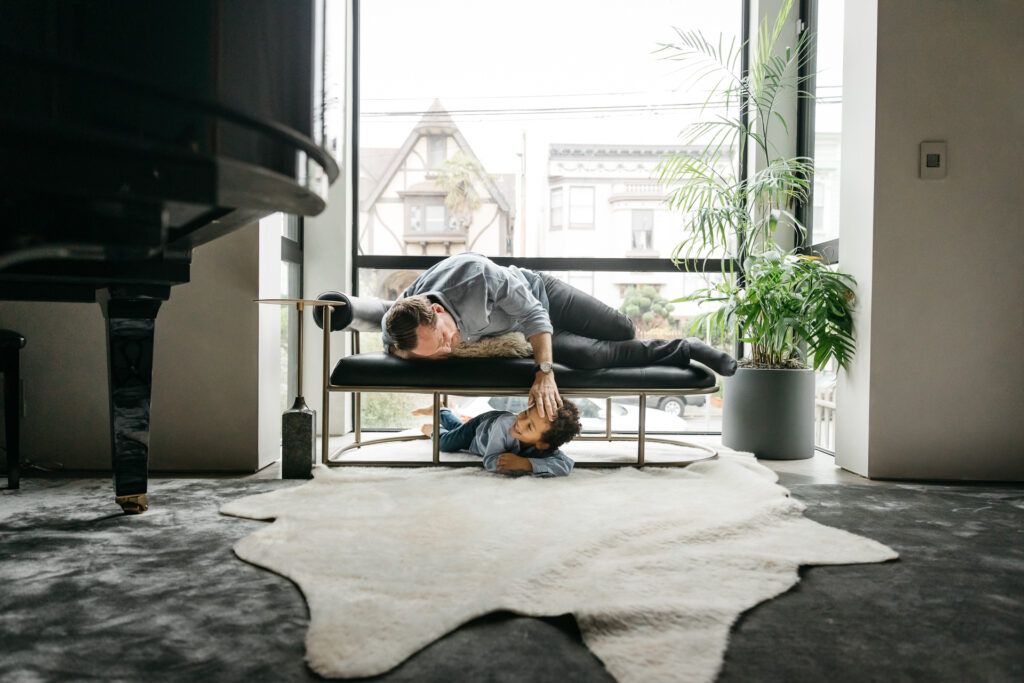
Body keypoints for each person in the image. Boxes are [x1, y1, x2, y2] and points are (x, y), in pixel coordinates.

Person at [383, 252, 738, 421]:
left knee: (623, 330)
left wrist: (545, 372)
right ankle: (685, 348)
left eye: (445, 338)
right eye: (439, 350)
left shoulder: (475, 275)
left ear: (440, 311)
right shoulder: (404, 317)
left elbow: (535, 314)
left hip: (542, 296)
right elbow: (393, 342)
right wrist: (416, 354)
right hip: (521, 329)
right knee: (592, 357)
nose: (449, 348)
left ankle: (678, 344)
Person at [420, 402, 580, 477]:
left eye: (530, 427)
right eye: (525, 413)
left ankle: (442, 410)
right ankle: (434, 427)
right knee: (446, 443)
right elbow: (491, 462)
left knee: (457, 429)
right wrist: (520, 464)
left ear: (542, 444)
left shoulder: (545, 447)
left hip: (477, 440)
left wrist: (527, 464)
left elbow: (566, 465)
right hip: (479, 428)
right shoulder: (505, 425)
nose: (521, 422)